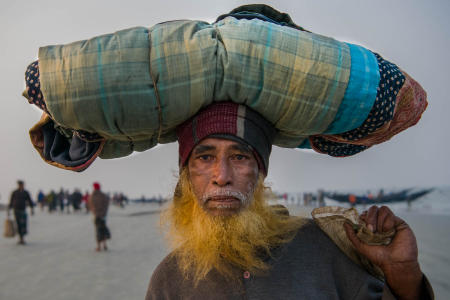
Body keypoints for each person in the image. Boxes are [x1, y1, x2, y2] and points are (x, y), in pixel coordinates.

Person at [146, 102, 433, 299]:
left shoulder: (322, 247)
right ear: (186, 177)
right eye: (205, 158)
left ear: (260, 174)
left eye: (239, 157)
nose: (222, 176)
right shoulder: (169, 280)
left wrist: (403, 274)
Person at [7, 180, 34, 245]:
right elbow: (11, 201)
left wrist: (32, 209)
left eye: (21, 185)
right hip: (16, 210)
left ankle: (22, 237)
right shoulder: (14, 192)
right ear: (18, 185)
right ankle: (21, 238)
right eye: (20, 185)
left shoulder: (26, 192)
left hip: (23, 210)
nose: (21, 186)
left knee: (23, 224)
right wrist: (9, 210)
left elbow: (30, 200)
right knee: (18, 224)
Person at [88, 182, 110, 252]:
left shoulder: (92, 196)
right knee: (103, 229)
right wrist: (104, 213)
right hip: (103, 216)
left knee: (97, 230)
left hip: (96, 216)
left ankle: (98, 246)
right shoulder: (103, 195)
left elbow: (90, 206)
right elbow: (106, 205)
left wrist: (94, 212)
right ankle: (105, 245)